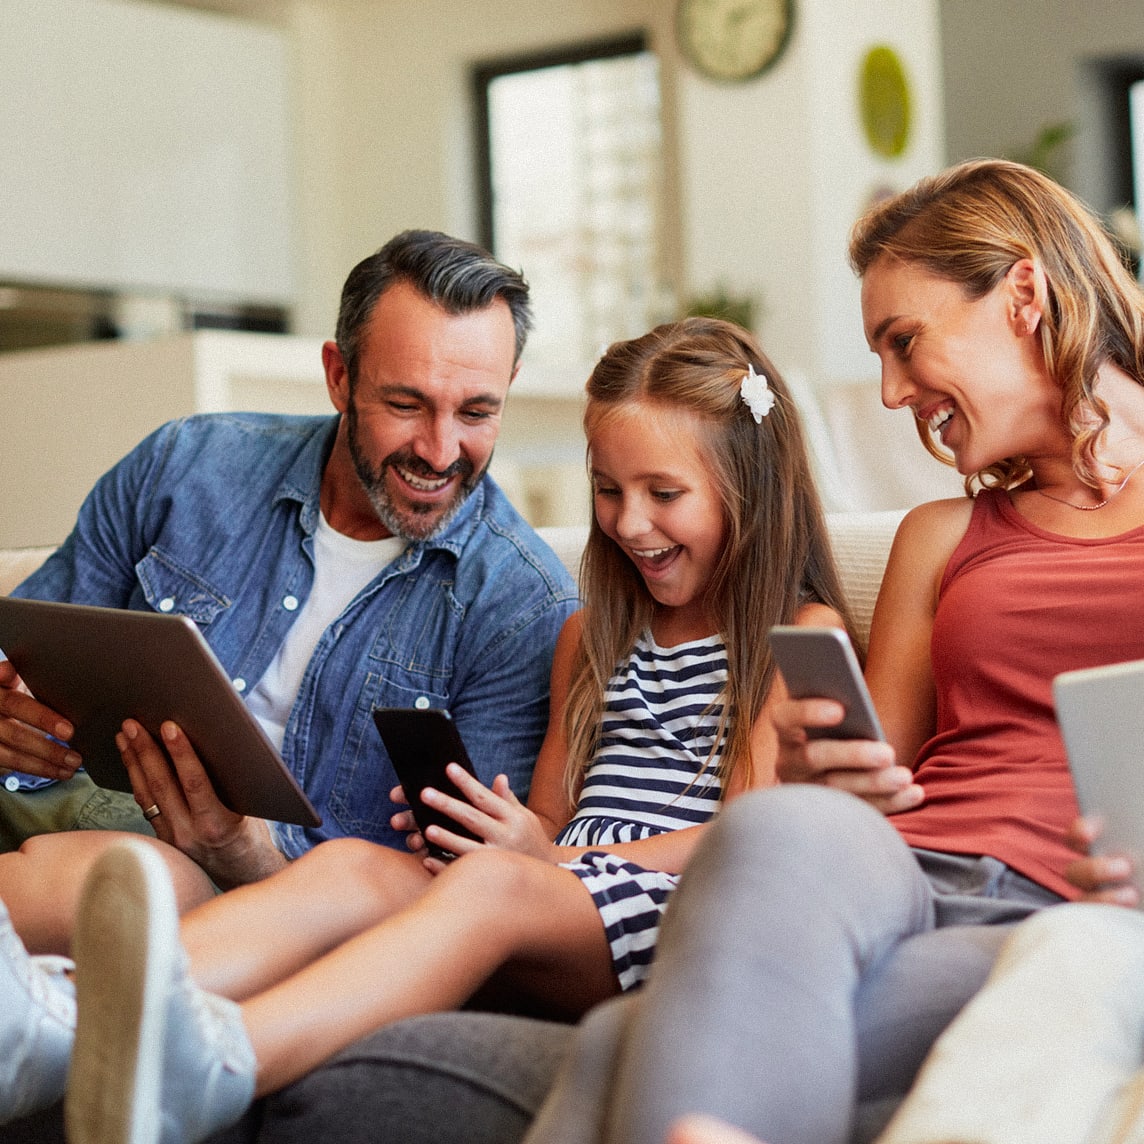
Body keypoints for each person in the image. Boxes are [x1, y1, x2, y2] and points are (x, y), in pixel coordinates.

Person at [1, 316, 856, 1139]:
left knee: (489, 885)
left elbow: (744, 839)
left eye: (663, 494)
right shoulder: (586, 637)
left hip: (673, 908)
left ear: (750, 490)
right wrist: (506, 833)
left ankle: (219, 1064)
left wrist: (548, 863)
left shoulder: (794, 637)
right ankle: (68, 1016)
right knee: (356, 866)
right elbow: (548, 821)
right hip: (550, 896)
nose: (628, 522)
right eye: (607, 490)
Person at [513, 157, 1144, 1144]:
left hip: (1058, 899)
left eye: (903, 343)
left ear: (1024, 292)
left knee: (611, 1044)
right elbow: (878, 772)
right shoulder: (941, 535)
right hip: (891, 875)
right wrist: (819, 768)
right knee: (773, 827)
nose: (891, 392)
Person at [0, 229, 578, 953]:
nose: (439, 451)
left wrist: (242, 854)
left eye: (476, 412)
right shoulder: (185, 467)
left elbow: (461, 903)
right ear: (340, 377)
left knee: (120, 883)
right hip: (42, 800)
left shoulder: (523, 609)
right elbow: (30, 645)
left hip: (213, 895)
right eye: (407, 404)